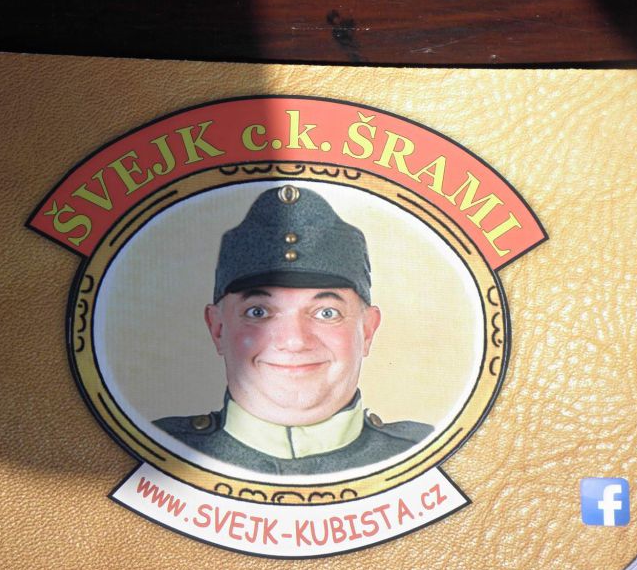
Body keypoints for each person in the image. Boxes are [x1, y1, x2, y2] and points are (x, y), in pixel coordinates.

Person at [155, 185, 432, 474]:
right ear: (218, 329)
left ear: (368, 330)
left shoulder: (424, 455)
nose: (294, 341)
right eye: (258, 312)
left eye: (326, 313)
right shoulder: (157, 450)